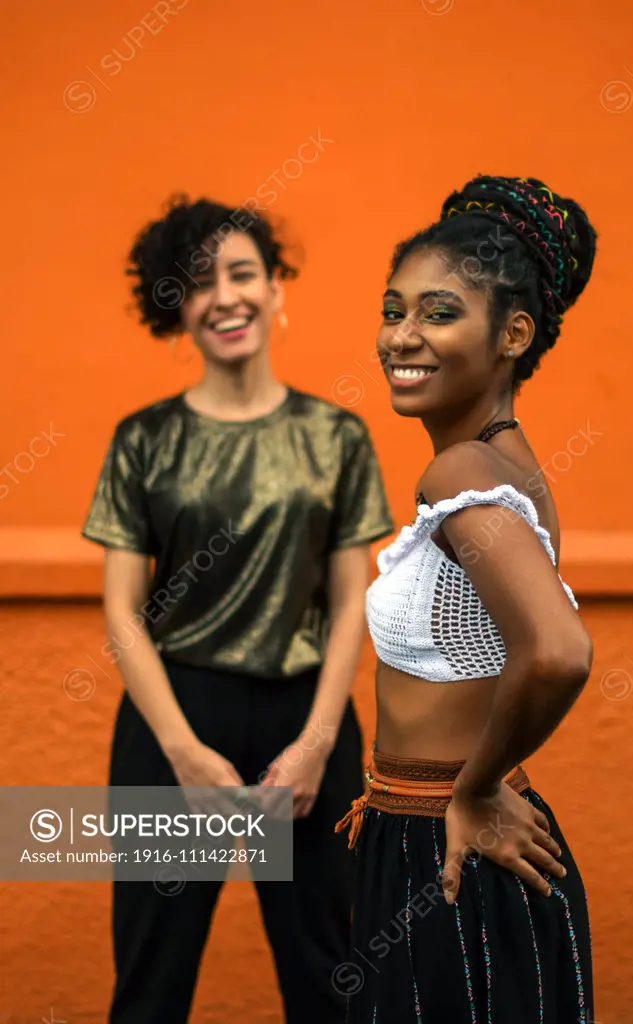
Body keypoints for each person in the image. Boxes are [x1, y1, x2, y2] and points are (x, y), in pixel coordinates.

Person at [81, 195, 394, 1024]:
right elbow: (121, 614)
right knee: (150, 980)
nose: (225, 295)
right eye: (199, 282)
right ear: (176, 309)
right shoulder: (142, 439)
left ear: (275, 291)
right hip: (173, 716)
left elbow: (349, 598)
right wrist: (181, 753)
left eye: (244, 273)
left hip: (306, 719)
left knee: (331, 976)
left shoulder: (336, 438)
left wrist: (318, 746)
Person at [337, 175, 596, 1022]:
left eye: (438, 313)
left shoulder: (460, 474)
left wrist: (474, 793)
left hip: (445, 848)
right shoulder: (507, 462)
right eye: (393, 308)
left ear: (512, 334)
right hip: (437, 834)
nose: (399, 337)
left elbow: (557, 651)